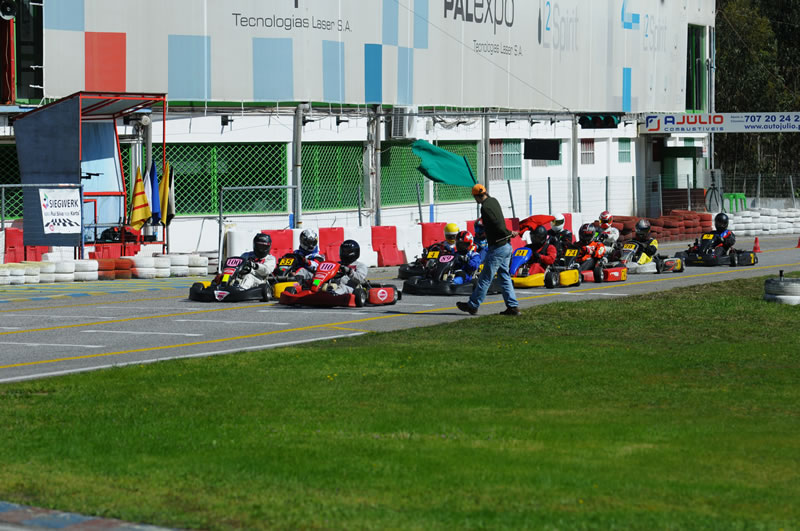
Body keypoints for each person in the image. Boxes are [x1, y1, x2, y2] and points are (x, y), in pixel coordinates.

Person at [457, 184, 520, 316]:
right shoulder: (494, 200)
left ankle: (473, 305)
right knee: (504, 276)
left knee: (485, 278)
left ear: (476, 196)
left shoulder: (485, 208)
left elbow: (497, 225)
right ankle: (513, 306)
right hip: (506, 246)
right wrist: (509, 233)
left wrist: (507, 232)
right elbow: (500, 222)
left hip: (498, 247)